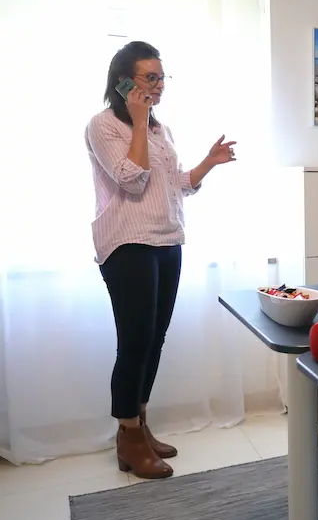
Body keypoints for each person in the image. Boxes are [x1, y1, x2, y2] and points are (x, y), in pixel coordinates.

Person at [85, 41, 237, 480]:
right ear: (124, 82)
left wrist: (209, 162)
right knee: (134, 341)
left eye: (162, 77)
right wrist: (137, 122)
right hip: (127, 244)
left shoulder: (161, 129)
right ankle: (128, 436)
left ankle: (141, 423)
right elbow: (131, 180)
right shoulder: (102, 126)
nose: (159, 85)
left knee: (154, 339)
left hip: (168, 240)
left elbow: (176, 185)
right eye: (150, 77)